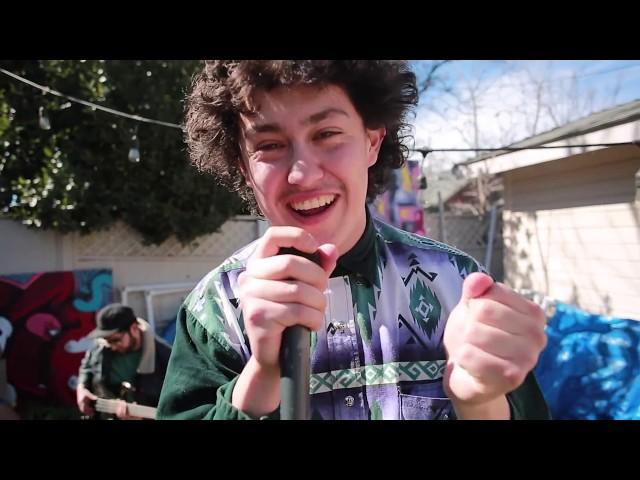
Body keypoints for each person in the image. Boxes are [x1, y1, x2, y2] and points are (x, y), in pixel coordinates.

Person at [157, 60, 550, 420]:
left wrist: (479, 400)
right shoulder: (214, 312)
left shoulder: (456, 286)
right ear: (243, 167)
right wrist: (262, 373)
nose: (303, 175)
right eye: (270, 145)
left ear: (372, 142)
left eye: (327, 134)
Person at [77, 303, 171, 420]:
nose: (112, 346)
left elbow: (175, 409)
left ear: (134, 329)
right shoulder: (102, 345)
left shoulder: (167, 358)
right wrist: (82, 388)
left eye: (116, 340)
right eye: (107, 341)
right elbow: (87, 367)